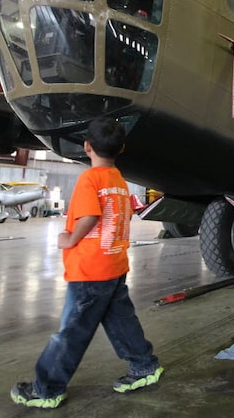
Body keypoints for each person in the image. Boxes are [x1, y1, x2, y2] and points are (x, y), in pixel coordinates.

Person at [11, 118, 162, 409]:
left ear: (86, 146)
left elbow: (90, 216)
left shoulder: (89, 179)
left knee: (71, 331)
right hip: (114, 264)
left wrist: (69, 239)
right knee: (121, 320)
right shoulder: (118, 180)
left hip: (90, 271)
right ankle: (144, 365)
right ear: (122, 148)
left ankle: (47, 389)